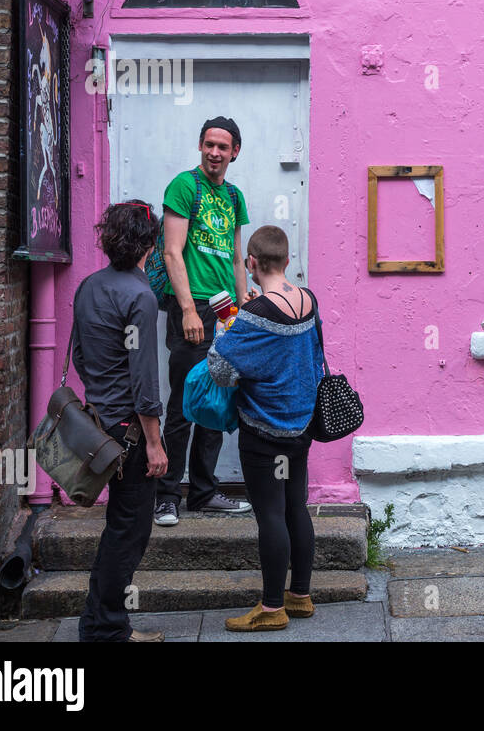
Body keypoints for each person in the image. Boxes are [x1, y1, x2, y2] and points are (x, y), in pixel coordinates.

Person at [206, 226, 323, 632]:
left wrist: (225, 329)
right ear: (287, 261)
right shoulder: (308, 300)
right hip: (302, 426)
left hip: (264, 430)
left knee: (270, 514)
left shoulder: (254, 315)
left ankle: (272, 609)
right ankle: (301, 596)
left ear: (252, 263)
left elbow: (221, 371)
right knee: (296, 508)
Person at [74, 201, 171, 642]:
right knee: (128, 530)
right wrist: (154, 442)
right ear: (150, 244)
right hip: (129, 432)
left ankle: (101, 623)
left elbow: (79, 355)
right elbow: (145, 380)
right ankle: (107, 629)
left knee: (118, 526)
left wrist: (102, 395)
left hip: (98, 422)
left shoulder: (89, 286)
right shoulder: (141, 295)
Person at [155, 116, 256, 526]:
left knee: (216, 403)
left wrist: (244, 300)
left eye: (223, 146)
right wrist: (188, 310)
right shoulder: (184, 186)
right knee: (182, 404)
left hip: (226, 311)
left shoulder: (233, 196)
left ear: (235, 152)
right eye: (209, 144)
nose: (215, 152)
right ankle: (166, 496)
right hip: (192, 307)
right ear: (201, 146)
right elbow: (172, 252)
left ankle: (203, 491)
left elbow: (235, 256)